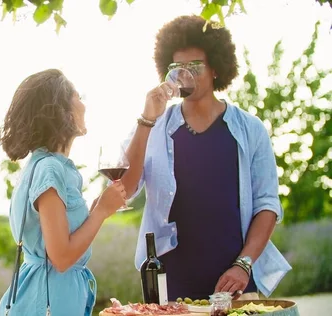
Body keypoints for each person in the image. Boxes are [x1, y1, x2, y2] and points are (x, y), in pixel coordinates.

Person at [120, 15, 292, 301]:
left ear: (215, 68)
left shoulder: (250, 129)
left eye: (195, 67)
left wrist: (243, 264)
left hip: (235, 282)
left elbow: (267, 204)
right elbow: (124, 188)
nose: (185, 75)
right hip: (171, 286)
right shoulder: (153, 126)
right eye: (177, 68)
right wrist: (146, 119)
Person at [0, 69, 127, 316]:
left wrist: (98, 208)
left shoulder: (45, 165)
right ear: (62, 113)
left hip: (49, 297)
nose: (84, 105)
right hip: (47, 301)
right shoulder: (50, 169)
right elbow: (61, 257)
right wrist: (101, 213)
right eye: (78, 97)